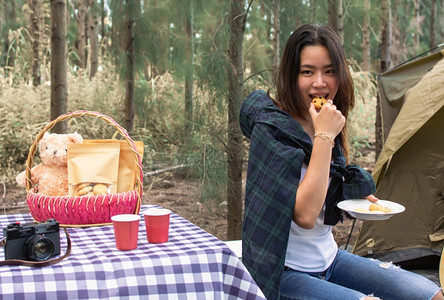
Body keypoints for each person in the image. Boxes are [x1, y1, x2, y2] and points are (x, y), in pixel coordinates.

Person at [239, 24, 443, 300]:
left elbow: (326, 181)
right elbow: (305, 215)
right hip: (281, 273)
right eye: (307, 71)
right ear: (291, 75)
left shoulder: (326, 117)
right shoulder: (273, 128)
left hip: (331, 260)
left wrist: (357, 194)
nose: (320, 83)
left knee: (431, 295)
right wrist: (324, 136)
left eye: (330, 71)